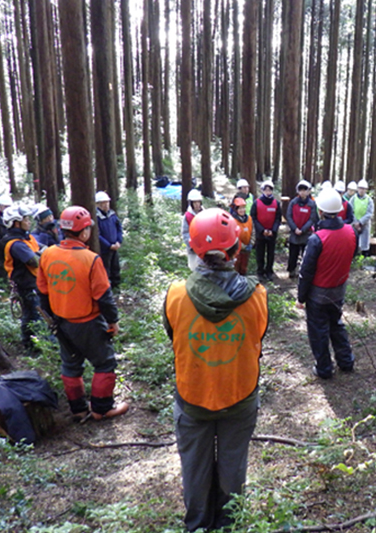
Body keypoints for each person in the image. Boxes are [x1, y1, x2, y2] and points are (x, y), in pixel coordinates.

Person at [163, 208, 268, 532]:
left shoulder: (176, 295)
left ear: (194, 249)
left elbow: (173, 335)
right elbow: (259, 335)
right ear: (237, 250)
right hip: (239, 396)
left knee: (195, 468)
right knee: (233, 467)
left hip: (193, 397)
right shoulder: (257, 296)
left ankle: (197, 525)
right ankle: (228, 525)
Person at [37, 206, 128, 421]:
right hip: (89, 322)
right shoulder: (91, 259)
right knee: (105, 363)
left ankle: (78, 409)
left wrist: (54, 318)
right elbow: (104, 297)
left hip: (62, 322)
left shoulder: (48, 254)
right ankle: (102, 408)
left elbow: (42, 291)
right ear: (85, 232)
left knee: (70, 365)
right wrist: (113, 322)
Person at [298, 188, 358, 379]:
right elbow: (352, 255)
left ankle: (324, 368)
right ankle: (345, 361)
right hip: (339, 290)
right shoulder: (350, 232)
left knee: (318, 331)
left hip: (318, 294)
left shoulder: (317, 239)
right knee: (336, 324)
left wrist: (301, 297)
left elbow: (306, 271)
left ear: (320, 212)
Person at [1, 203, 42, 352]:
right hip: (27, 285)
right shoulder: (16, 244)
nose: (29, 222)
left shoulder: (26, 238)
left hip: (33, 282)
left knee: (33, 315)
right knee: (33, 316)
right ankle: (32, 347)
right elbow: (35, 261)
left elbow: (42, 249)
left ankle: (33, 345)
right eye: (26, 219)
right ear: (16, 223)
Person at [286, 179, 318, 278]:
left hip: (306, 234)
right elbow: (289, 216)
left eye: (305, 190)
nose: (303, 192)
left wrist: (303, 229)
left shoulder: (312, 204)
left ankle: (304, 272)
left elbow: (312, 218)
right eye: (301, 190)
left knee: (306, 255)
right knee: (293, 254)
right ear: (297, 191)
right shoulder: (293, 202)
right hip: (294, 233)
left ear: (309, 191)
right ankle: (291, 270)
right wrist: (295, 228)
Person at [250, 180, 282, 281]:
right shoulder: (256, 203)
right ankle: (260, 271)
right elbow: (253, 217)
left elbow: (278, 218)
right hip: (261, 233)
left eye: (270, 190)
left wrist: (273, 230)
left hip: (272, 233)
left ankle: (269, 271)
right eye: (266, 190)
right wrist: (261, 230)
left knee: (271, 253)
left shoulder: (276, 203)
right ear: (262, 190)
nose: (268, 192)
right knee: (260, 253)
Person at [96, 191, 123, 289]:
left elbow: (119, 228)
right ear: (98, 204)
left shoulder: (112, 215)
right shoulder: (97, 217)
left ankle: (117, 286)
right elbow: (97, 235)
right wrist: (108, 245)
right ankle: (107, 289)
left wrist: (119, 241)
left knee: (115, 267)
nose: (106, 205)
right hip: (105, 249)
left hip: (115, 246)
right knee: (105, 269)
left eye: (107, 202)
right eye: (103, 203)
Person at [230, 197, 254, 275]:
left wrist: (251, 243)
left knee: (244, 267)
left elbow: (253, 232)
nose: (242, 210)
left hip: (247, 248)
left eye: (243, 208)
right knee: (236, 267)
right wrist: (242, 246)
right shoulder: (233, 220)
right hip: (237, 249)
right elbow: (233, 235)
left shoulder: (249, 219)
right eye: (240, 208)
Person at [182, 189, 205, 271]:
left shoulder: (205, 214)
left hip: (205, 247)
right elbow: (185, 233)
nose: (197, 205)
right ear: (191, 203)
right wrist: (191, 245)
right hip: (193, 249)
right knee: (194, 269)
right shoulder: (187, 216)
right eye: (194, 202)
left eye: (198, 202)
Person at [350, 179, 374, 255]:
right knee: (354, 241)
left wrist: (360, 222)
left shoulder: (369, 200)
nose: (361, 190)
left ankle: (365, 256)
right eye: (360, 188)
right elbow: (350, 211)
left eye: (363, 189)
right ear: (357, 189)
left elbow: (369, 213)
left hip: (365, 224)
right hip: (354, 224)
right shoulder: (353, 199)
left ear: (366, 190)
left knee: (365, 242)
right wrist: (355, 222)